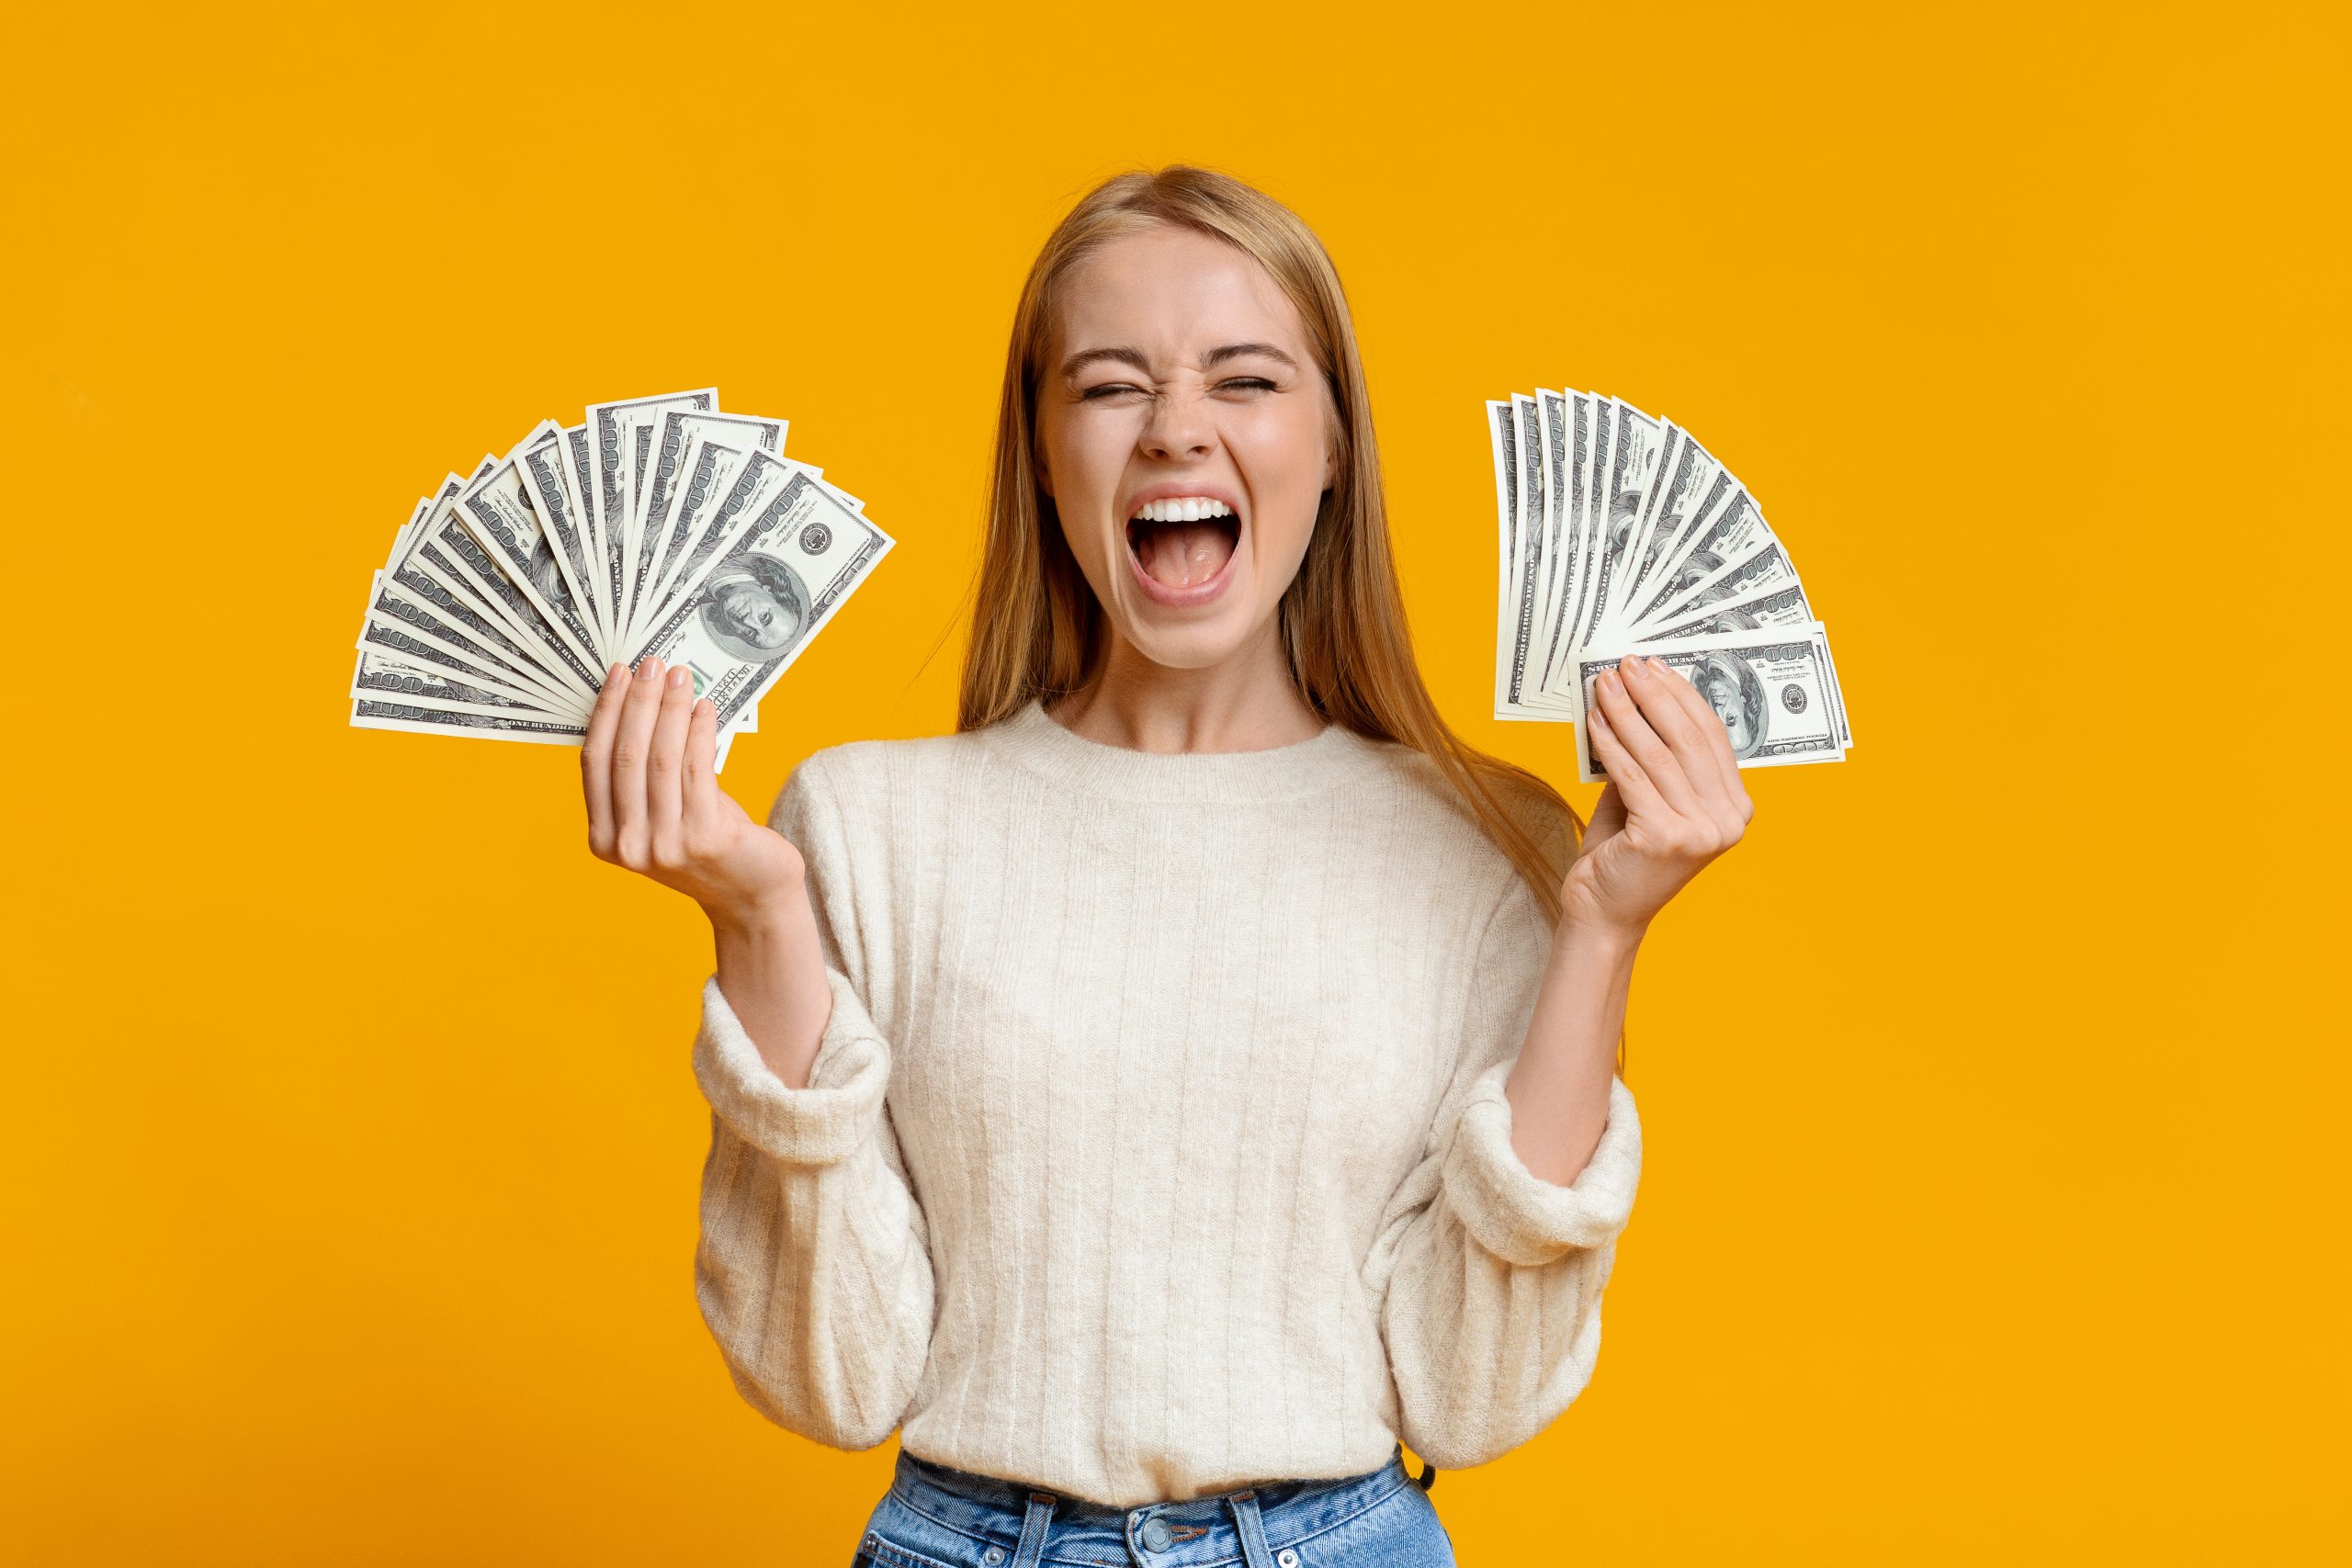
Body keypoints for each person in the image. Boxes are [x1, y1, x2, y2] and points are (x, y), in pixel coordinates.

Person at [578, 165, 1753, 1568]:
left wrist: (1607, 929)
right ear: (1043, 449)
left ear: (1332, 444)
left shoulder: (1490, 846)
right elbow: (833, 1381)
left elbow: (1473, 1393)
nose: (1175, 432)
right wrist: (757, 916)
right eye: (1110, 386)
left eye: (1245, 381)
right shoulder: (863, 822)